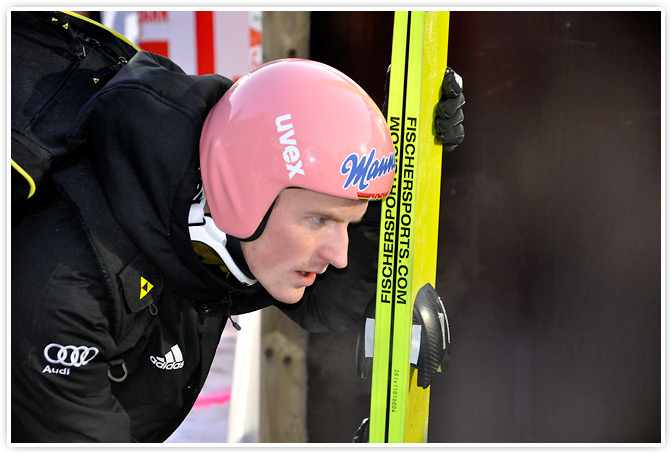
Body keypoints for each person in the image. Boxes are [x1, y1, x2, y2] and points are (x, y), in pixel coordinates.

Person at [11, 27, 465, 442]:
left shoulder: (209, 205)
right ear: (244, 192)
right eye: (320, 220)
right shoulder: (63, 291)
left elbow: (331, 301)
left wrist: (400, 147)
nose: (340, 254)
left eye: (346, 222)